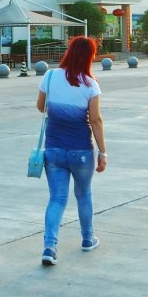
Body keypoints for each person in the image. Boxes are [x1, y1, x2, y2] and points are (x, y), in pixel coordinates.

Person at [36, 36, 107, 266]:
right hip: (82, 151)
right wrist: (103, 153)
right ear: (89, 57)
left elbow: (41, 107)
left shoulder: (50, 76)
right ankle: (87, 239)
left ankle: (49, 246)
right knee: (84, 195)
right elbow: (95, 120)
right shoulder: (90, 84)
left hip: (54, 149)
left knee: (57, 198)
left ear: (69, 52)